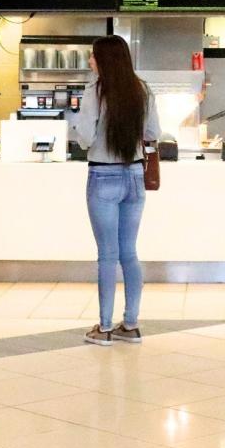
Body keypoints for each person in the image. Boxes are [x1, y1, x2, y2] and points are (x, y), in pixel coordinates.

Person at [70, 35, 160, 346]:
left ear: (105, 60)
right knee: (129, 253)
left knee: (107, 255)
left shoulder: (95, 91)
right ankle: (131, 324)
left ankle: (105, 327)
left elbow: (84, 137)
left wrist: (77, 127)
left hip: (103, 176)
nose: (91, 61)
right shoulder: (142, 89)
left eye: (93, 57)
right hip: (135, 175)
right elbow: (153, 133)